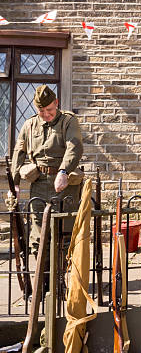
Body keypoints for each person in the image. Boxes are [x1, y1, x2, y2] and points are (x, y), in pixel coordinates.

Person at [11, 85, 84, 273]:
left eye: (49, 110)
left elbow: (74, 147)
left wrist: (63, 171)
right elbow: (18, 154)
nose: (46, 114)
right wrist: (15, 184)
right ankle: (42, 280)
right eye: (41, 111)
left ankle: (61, 279)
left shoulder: (68, 121)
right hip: (39, 185)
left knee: (64, 234)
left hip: (64, 185)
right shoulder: (29, 124)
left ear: (57, 103)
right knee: (38, 235)